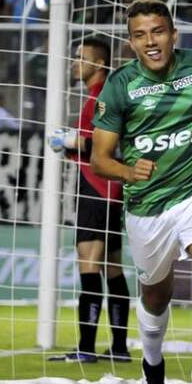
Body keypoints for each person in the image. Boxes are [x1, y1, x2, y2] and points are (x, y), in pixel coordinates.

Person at [91, 0, 192, 384]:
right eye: (140, 35)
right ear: (131, 43)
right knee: (156, 293)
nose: (150, 42)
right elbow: (100, 158)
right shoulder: (119, 87)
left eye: (157, 32)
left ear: (174, 34)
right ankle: (152, 365)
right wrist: (126, 171)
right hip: (148, 205)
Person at [48, 37, 130, 364]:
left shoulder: (99, 98)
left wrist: (69, 140)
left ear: (98, 64)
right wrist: (72, 144)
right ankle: (120, 347)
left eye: (80, 58)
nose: (74, 63)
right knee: (112, 266)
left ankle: (85, 348)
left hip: (96, 189)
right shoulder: (99, 98)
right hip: (108, 190)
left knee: (90, 265)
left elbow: (101, 144)